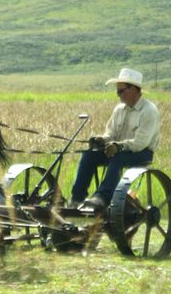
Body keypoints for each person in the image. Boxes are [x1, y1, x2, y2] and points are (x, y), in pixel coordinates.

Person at [69, 67, 160, 211]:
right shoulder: (119, 109)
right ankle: (76, 199)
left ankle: (102, 198)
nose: (118, 95)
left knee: (117, 157)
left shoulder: (149, 110)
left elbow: (140, 143)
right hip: (117, 150)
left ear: (133, 89)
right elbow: (111, 134)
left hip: (141, 153)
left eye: (120, 91)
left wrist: (118, 146)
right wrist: (101, 140)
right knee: (89, 155)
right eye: (117, 91)